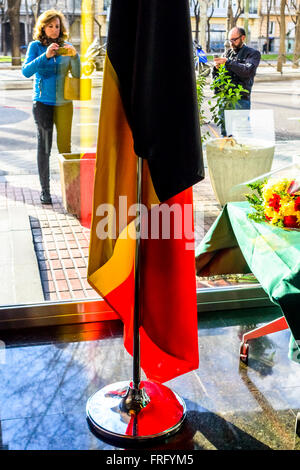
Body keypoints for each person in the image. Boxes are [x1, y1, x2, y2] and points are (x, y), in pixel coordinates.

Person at [22, 10, 80, 204]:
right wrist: (45, 55)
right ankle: (45, 191)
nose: (55, 30)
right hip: (42, 104)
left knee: (65, 148)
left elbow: (78, 74)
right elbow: (26, 71)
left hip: (65, 105)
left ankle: (70, 190)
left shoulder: (67, 47)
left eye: (57, 26)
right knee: (44, 147)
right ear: (43, 27)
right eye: (51, 26)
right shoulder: (35, 46)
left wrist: (75, 56)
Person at [212, 26, 261, 136]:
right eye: (230, 40)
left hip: (241, 98)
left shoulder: (253, 53)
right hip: (225, 99)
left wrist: (228, 63)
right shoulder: (227, 54)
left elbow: (247, 71)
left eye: (234, 40)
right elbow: (217, 78)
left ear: (243, 38)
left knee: (242, 133)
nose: (231, 43)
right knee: (225, 132)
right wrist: (215, 69)